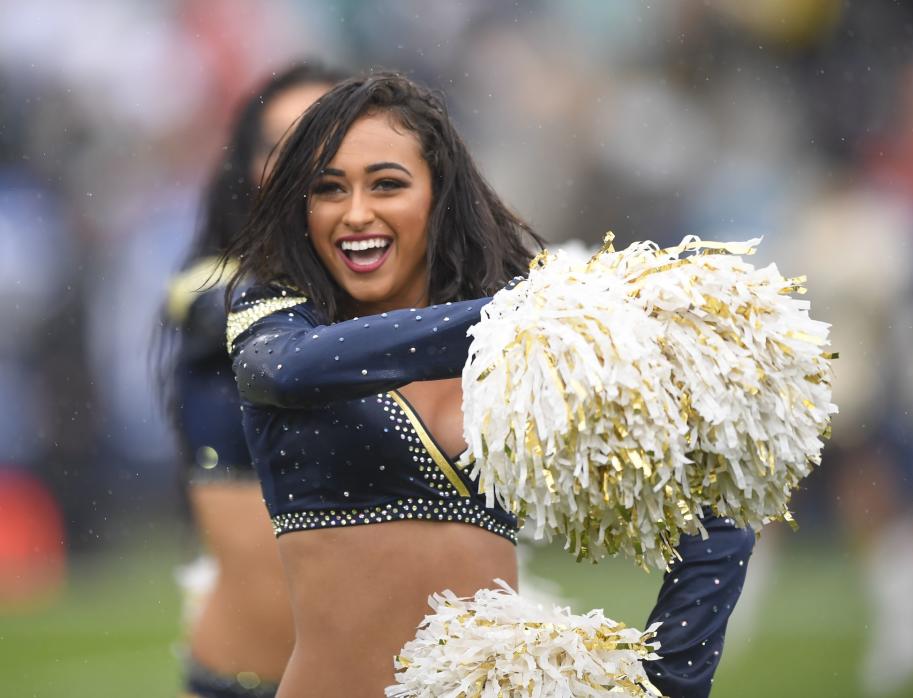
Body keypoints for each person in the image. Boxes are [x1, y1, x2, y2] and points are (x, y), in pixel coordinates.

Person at [224, 72, 754, 697]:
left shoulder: (535, 343)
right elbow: (289, 370)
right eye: (328, 190)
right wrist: (519, 317)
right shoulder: (276, 315)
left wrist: (672, 680)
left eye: (387, 185)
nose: (356, 213)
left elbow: (718, 496)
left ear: (438, 194)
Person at [163, 61, 347, 698]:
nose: (307, 164)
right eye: (281, 146)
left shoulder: (418, 302)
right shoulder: (212, 290)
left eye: (330, 140)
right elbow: (235, 317)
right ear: (245, 168)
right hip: (240, 682)